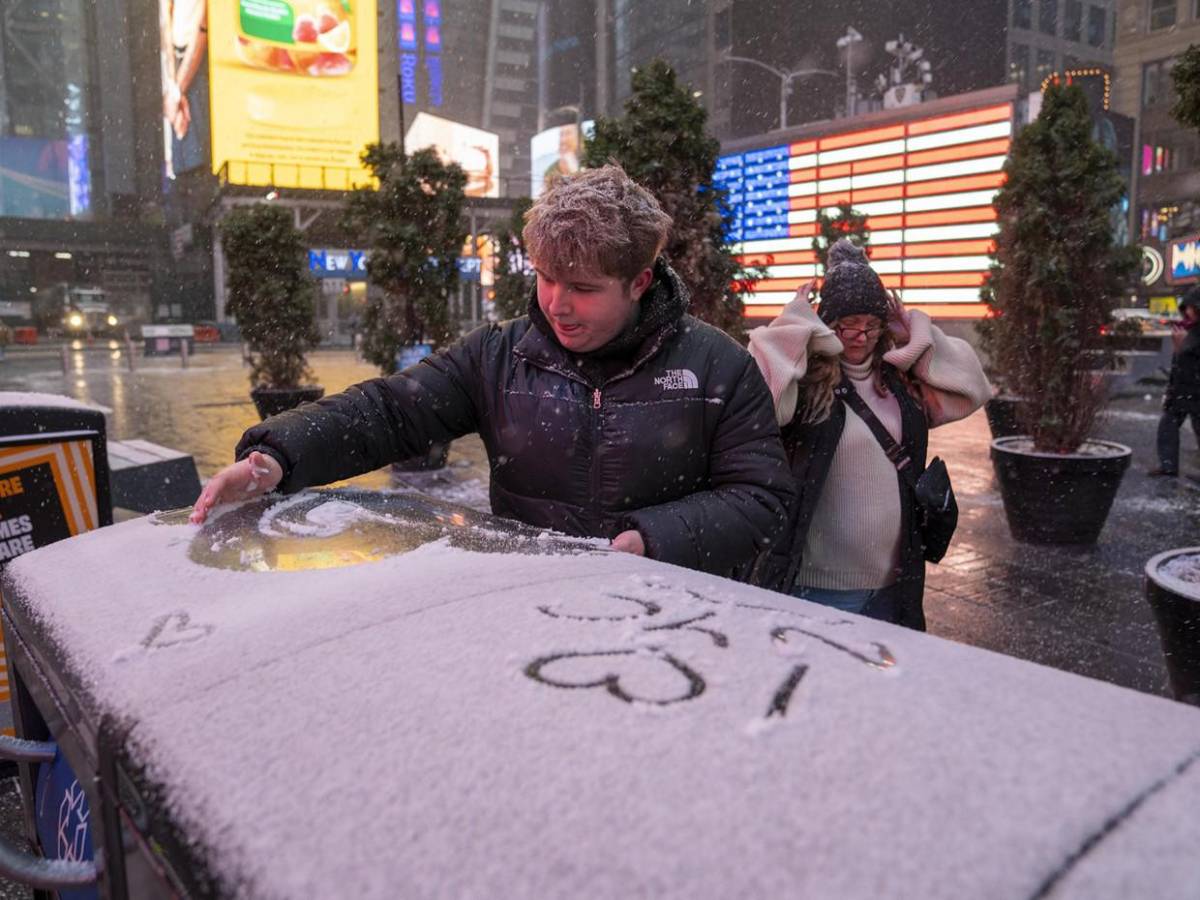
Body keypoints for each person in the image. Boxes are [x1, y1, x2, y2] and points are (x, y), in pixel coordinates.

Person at [191, 165, 794, 577]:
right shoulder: (499, 355)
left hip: (664, 611)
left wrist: (652, 539)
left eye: (583, 288)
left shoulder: (717, 367)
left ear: (639, 282)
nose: (557, 304)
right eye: (546, 277)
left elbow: (761, 498)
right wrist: (276, 457)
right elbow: (389, 410)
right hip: (520, 597)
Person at [745, 239, 990, 629]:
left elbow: (973, 388)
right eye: (847, 325)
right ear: (825, 323)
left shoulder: (900, 382)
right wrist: (794, 324)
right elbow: (763, 405)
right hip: (818, 588)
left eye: (871, 325)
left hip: (894, 587)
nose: (860, 336)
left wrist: (914, 331)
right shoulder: (806, 383)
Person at [1150, 287, 1200, 478]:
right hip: (1182, 390)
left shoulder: (1193, 334)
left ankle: (1168, 466)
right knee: (1168, 425)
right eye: (1186, 308)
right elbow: (1180, 364)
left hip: (1194, 391)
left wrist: (1180, 348)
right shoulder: (1187, 330)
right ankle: (1168, 466)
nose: (1187, 312)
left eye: (1191, 308)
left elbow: (1188, 360)